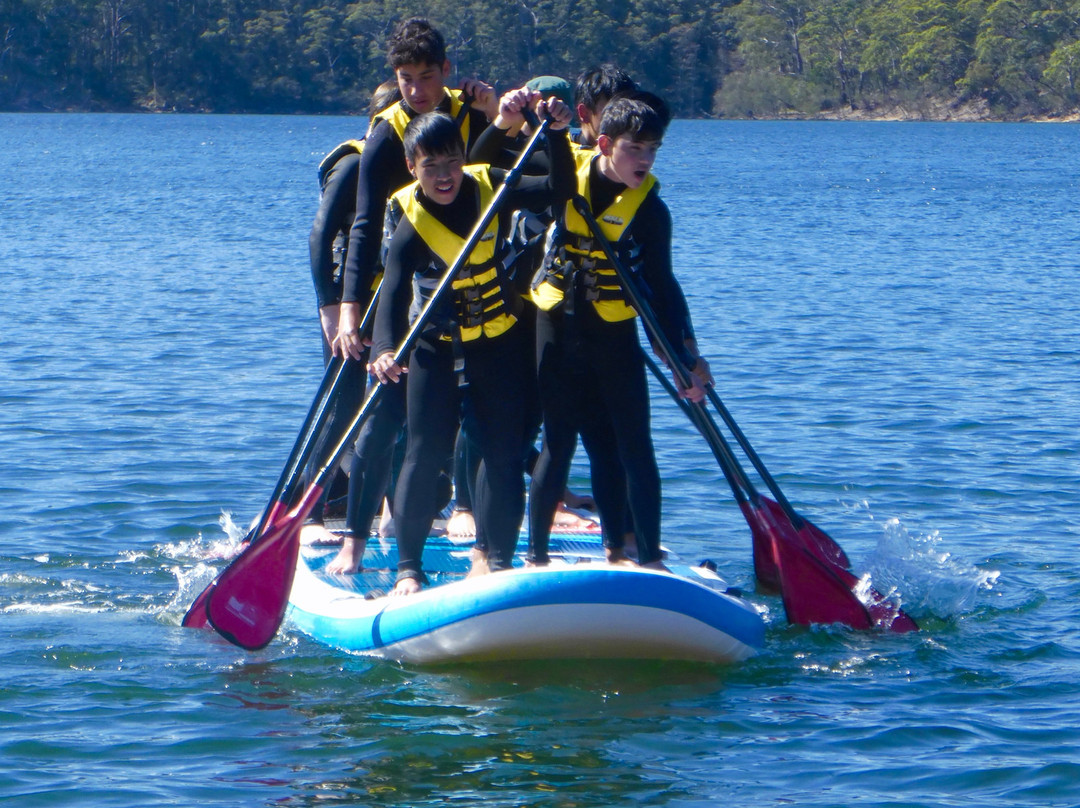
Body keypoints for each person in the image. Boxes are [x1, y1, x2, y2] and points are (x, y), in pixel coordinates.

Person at [369, 89, 574, 596]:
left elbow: (561, 190)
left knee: (502, 452)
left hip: (498, 343)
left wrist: (558, 135)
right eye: (431, 164)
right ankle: (409, 569)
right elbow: (393, 291)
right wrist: (382, 349)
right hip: (433, 347)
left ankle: (493, 559)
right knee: (423, 450)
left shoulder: (491, 184)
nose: (444, 175)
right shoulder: (409, 221)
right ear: (412, 166)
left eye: (453, 161)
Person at [326, 17, 498, 574]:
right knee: (382, 421)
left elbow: (518, 174)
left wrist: (500, 115)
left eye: (427, 78)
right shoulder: (386, 134)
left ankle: (470, 513)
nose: (417, 91)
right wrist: (348, 310)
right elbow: (363, 225)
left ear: (446, 72)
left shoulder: (472, 112)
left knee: (480, 412)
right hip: (400, 289)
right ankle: (354, 536)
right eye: (406, 79)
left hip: (475, 289)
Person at [528, 96, 710, 570]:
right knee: (559, 442)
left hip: (614, 331)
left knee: (631, 444)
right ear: (605, 144)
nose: (645, 160)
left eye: (654, 149)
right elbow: (541, 166)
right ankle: (535, 557)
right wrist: (540, 123)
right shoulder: (571, 176)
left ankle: (641, 556)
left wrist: (686, 359)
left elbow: (664, 287)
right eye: (635, 149)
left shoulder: (652, 211)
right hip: (557, 326)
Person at [301, 79, 401, 547]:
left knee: (392, 406)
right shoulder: (356, 163)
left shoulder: (405, 164)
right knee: (343, 408)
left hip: (389, 299)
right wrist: (329, 305)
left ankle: (384, 503)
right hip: (348, 306)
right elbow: (321, 237)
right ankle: (310, 510)